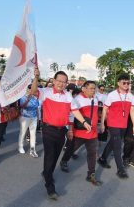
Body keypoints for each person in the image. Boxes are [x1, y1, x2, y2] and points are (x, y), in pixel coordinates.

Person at [30, 69, 92, 200]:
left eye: (64, 82)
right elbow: (33, 91)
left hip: (61, 130)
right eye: (59, 81)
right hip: (48, 129)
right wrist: (36, 78)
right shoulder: (45, 92)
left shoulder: (68, 96)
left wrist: (84, 122)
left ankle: (47, 172)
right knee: (50, 155)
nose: (61, 84)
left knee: (56, 156)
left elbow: (74, 111)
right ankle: (50, 186)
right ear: (53, 80)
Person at [59, 81, 102, 186]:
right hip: (79, 131)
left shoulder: (95, 99)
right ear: (84, 89)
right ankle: (64, 161)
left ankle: (91, 174)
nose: (93, 90)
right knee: (72, 148)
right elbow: (72, 115)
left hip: (92, 132)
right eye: (91, 88)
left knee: (92, 153)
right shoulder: (77, 100)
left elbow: (96, 114)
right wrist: (70, 130)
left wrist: (99, 125)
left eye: (94, 88)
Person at [97, 74, 134, 179]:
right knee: (118, 145)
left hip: (123, 124)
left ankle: (102, 158)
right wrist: (102, 124)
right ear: (118, 83)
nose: (126, 84)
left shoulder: (131, 96)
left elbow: (132, 111)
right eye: (124, 82)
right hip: (113, 123)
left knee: (112, 142)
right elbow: (105, 109)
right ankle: (120, 169)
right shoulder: (112, 95)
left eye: (128, 83)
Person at [18, 84, 39, 158]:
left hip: (34, 118)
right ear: (27, 89)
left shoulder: (35, 98)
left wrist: (39, 118)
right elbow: (22, 106)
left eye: (32, 89)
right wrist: (28, 99)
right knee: (23, 133)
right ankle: (20, 146)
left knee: (33, 134)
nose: (31, 91)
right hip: (25, 117)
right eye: (29, 89)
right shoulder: (23, 97)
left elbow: (37, 108)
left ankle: (32, 150)